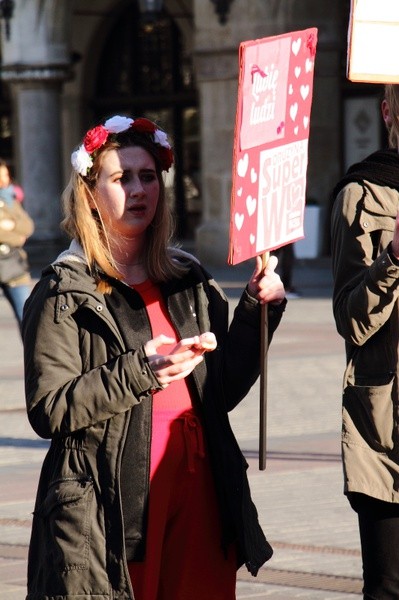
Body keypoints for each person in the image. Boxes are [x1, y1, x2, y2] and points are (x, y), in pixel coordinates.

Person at [22, 114, 286, 600]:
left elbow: (221, 389)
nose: (139, 189)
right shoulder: (65, 290)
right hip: (114, 507)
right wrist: (141, 371)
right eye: (121, 178)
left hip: (203, 492)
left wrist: (256, 310)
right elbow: (50, 407)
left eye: (148, 176)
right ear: (90, 191)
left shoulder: (188, 279)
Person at [331, 83, 399, 599]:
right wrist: (392, 259)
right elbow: (350, 321)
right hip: (386, 434)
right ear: (388, 110)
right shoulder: (363, 193)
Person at [0, 159, 33, 332]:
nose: (3, 179)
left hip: (14, 266)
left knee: (26, 318)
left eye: (5, 174)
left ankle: (31, 358)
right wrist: (15, 234)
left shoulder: (11, 199)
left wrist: (10, 225)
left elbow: (28, 226)